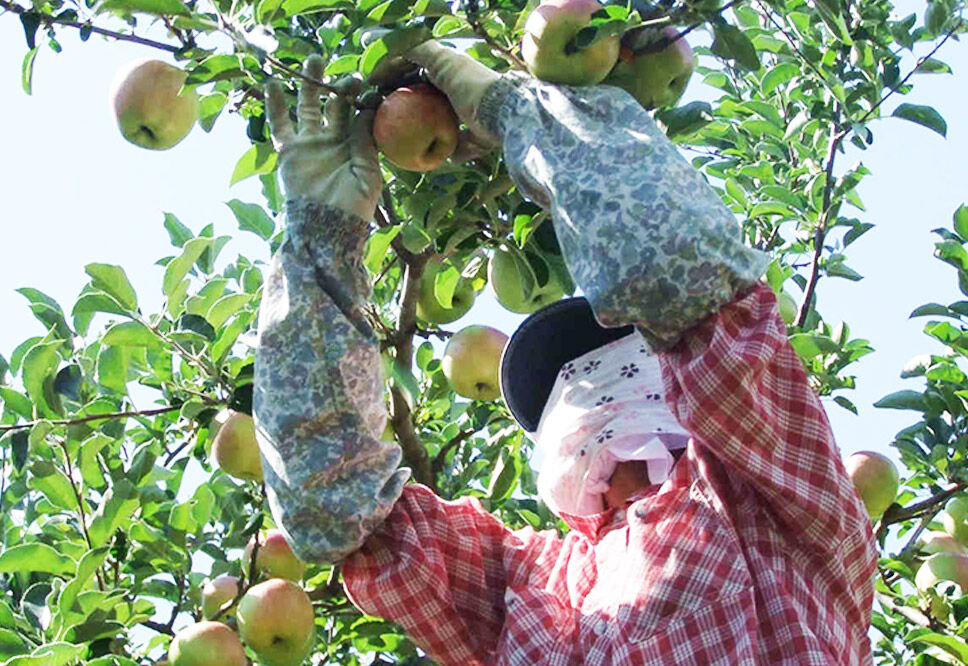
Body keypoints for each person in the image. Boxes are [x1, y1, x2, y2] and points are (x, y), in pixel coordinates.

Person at [254, 42, 878, 665]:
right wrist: (321, 244)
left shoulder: (770, 484)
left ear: (675, 381)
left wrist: (519, 110)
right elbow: (334, 508)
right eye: (564, 392)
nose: (591, 393)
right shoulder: (529, 586)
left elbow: (683, 274)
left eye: (618, 358)